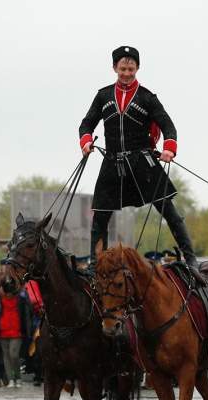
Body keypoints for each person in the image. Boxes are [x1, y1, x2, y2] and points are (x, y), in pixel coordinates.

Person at [78, 46, 198, 269]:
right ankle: (96, 264)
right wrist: (86, 142)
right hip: (112, 164)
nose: (126, 73)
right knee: (100, 218)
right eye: (122, 69)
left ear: (137, 68)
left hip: (143, 162)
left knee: (168, 210)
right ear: (115, 68)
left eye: (131, 69)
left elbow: (168, 125)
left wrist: (169, 148)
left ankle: (191, 258)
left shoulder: (147, 97)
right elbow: (86, 124)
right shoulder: (103, 95)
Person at [0, 280, 33, 387]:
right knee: (6, 356)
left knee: (14, 354)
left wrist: (28, 330)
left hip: (17, 331)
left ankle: (18, 377)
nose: (8, 294)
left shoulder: (21, 299)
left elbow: (28, 312)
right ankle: (11, 379)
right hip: (3, 331)